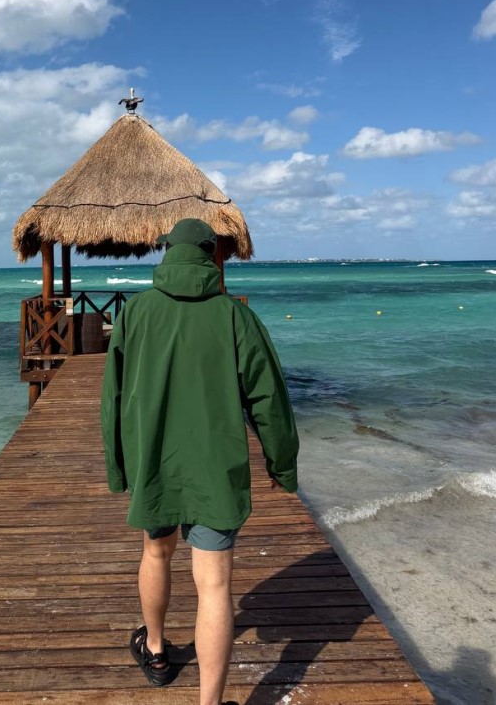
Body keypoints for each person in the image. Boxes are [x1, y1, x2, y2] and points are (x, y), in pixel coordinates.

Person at [100, 218, 299, 705]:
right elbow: (269, 399)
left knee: (156, 553)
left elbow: (113, 398)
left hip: (154, 463)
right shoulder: (235, 317)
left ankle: (155, 650)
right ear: (212, 256)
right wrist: (281, 464)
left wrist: (118, 467)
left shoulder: (135, 312)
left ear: (167, 252)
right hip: (215, 468)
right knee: (214, 586)